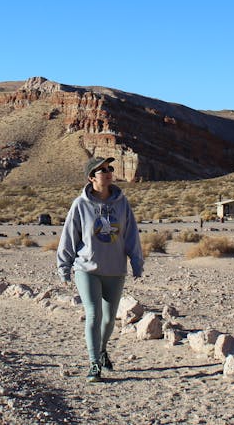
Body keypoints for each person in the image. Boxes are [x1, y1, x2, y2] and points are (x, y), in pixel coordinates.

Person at [56, 156, 144, 383]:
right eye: (101, 170)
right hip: (87, 268)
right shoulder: (80, 205)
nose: (107, 172)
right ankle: (94, 362)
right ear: (91, 177)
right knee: (94, 315)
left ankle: (102, 349)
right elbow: (69, 237)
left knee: (108, 320)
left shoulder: (122, 203)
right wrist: (64, 266)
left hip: (115, 269)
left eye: (109, 168)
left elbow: (131, 234)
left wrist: (136, 262)